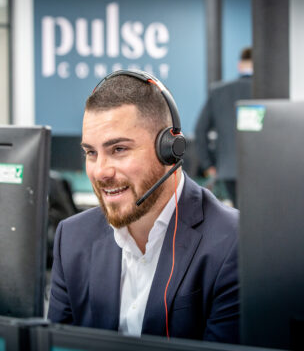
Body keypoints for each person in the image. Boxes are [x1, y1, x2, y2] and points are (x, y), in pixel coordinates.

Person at [48, 70, 239, 344]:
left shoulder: (232, 242)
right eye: (91, 152)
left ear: (169, 149)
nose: (100, 171)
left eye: (119, 150)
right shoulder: (72, 239)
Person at [195, 47, 253, 207]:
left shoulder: (219, 92)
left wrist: (208, 165)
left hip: (228, 170)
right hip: (261, 169)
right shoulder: (267, 90)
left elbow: (200, 131)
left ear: (240, 65)